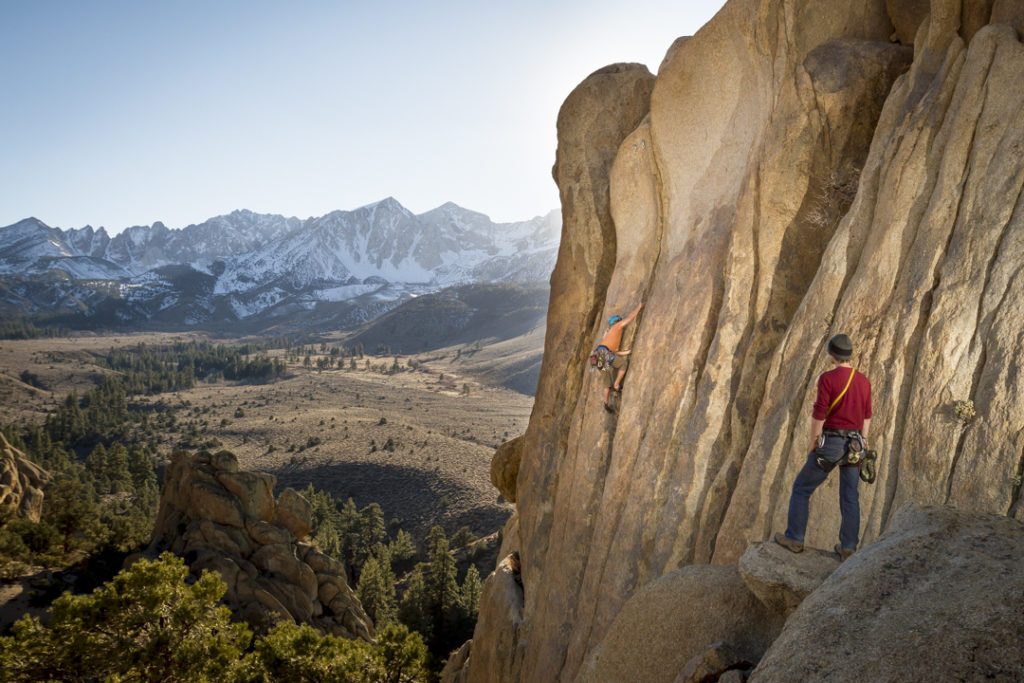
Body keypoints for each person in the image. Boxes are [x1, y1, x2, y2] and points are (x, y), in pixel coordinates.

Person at [775, 333, 872, 561]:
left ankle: (795, 538)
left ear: (832, 354)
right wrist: (863, 441)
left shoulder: (828, 379)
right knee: (850, 496)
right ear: (849, 355)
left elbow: (819, 412)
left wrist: (813, 441)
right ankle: (848, 547)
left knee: (801, 488)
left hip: (832, 443)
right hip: (855, 445)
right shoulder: (863, 381)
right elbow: (867, 415)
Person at [595, 301, 643, 412]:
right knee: (623, 364)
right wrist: (639, 307)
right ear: (617, 322)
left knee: (607, 383)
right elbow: (630, 318)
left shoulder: (609, 336)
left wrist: (626, 353)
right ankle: (617, 384)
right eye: (620, 321)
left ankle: (606, 403)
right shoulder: (617, 327)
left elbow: (614, 352)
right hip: (603, 354)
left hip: (598, 355)